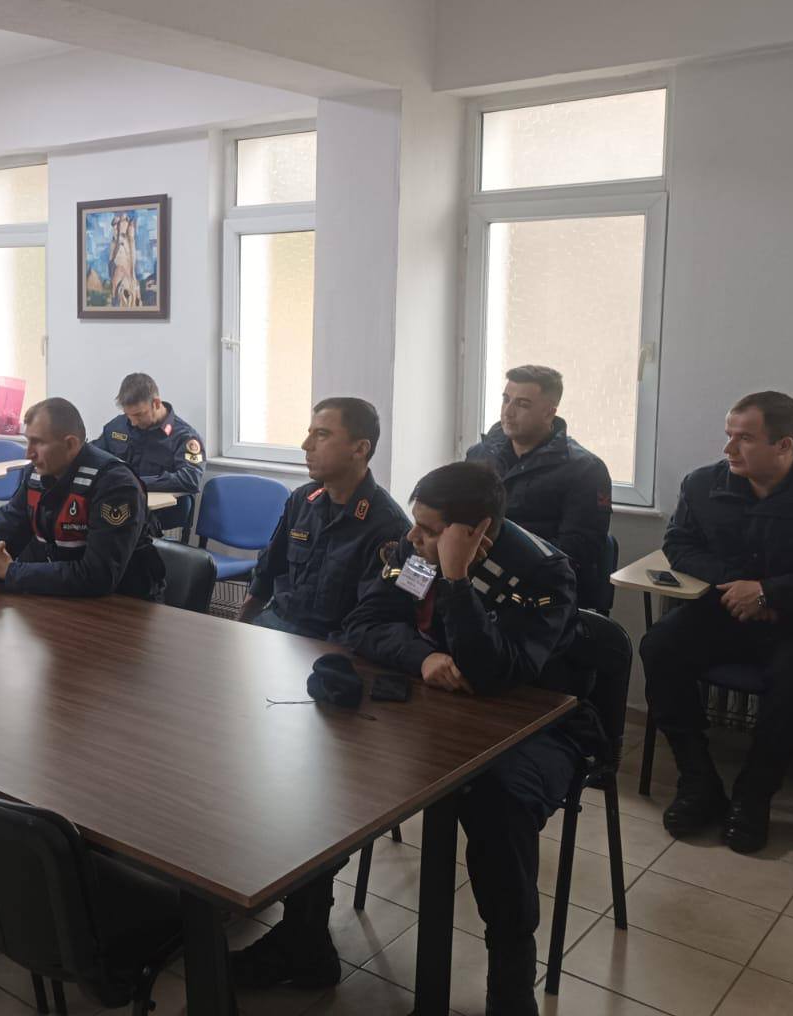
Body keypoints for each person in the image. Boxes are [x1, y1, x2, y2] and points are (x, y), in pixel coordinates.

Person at [236, 463, 591, 1016]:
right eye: (417, 525)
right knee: (329, 765)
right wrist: (423, 656)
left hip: (535, 727)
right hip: (436, 710)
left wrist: (456, 579)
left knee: (497, 806)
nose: (412, 537)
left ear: (478, 533)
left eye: (429, 530)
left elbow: (497, 673)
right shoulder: (417, 553)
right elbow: (367, 623)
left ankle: (510, 985)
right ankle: (303, 941)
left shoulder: (543, 572)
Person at [641, 391, 793, 854]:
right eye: (728, 435)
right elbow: (679, 544)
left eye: (745, 439)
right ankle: (699, 781)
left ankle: (754, 795)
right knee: (660, 646)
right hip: (725, 610)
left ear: (785, 445)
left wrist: (770, 593)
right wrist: (738, 586)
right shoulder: (702, 484)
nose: (729, 449)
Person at [240, 398, 409, 638]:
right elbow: (267, 572)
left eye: (321, 435)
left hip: (330, 644)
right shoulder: (302, 500)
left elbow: (376, 621)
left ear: (360, 449)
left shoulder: (388, 526)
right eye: (309, 434)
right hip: (276, 629)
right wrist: (240, 629)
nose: (306, 445)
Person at [0, 397, 165, 599]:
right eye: (28, 441)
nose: (29, 454)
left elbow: (98, 576)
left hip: (122, 603)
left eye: (38, 442)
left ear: (70, 444)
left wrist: (11, 571)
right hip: (56, 597)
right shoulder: (36, 474)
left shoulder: (115, 485)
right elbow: (9, 522)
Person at [466, 365, 613, 609]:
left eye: (522, 404)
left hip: (540, 589)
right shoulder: (480, 455)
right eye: (506, 399)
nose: (508, 412)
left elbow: (577, 552)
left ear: (549, 413)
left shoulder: (585, 469)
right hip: (475, 572)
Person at [92, 372, 204, 532]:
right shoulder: (118, 426)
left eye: (139, 415)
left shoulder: (184, 436)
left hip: (159, 515)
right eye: (128, 415)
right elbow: (95, 457)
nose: (133, 422)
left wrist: (138, 483)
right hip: (118, 507)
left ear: (156, 403)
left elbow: (191, 479)